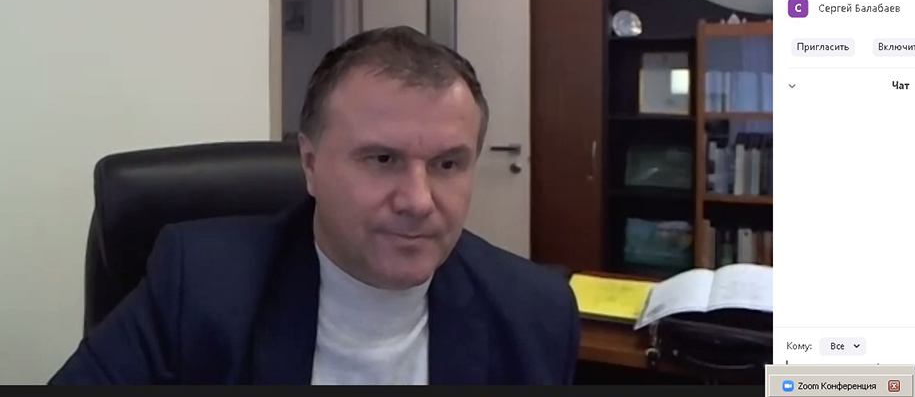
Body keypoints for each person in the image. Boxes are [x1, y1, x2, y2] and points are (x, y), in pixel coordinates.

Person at [49, 26, 580, 385]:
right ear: (309, 163)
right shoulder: (200, 285)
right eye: (382, 159)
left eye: (447, 164)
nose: (418, 201)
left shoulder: (536, 312)